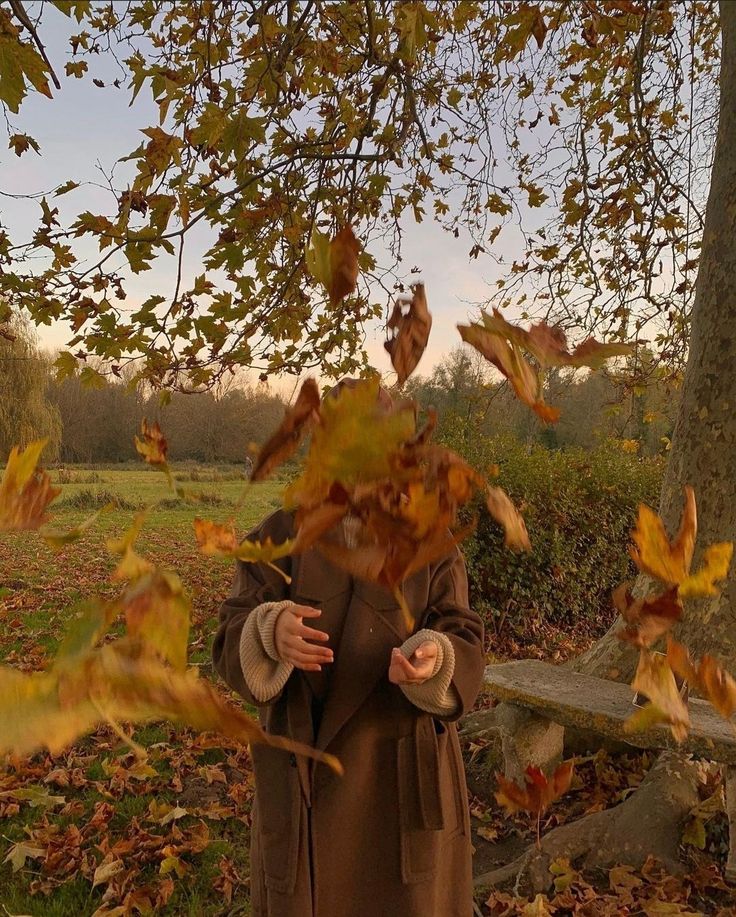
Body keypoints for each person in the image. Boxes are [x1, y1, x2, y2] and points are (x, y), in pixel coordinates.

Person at [212, 389, 485, 917]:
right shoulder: (278, 537)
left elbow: (462, 635)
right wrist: (267, 633)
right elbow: (228, 637)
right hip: (303, 780)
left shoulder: (430, 544)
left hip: (399, 780)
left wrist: (435, 658)